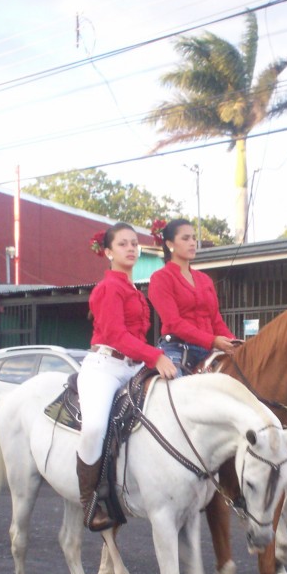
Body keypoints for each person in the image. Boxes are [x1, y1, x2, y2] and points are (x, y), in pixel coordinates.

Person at [78, 222, 177, 531]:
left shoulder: (135, 290)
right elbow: (117, 336)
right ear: (108, 252)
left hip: (132, 365)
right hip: (105, 367)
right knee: (94, 427)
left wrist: (154, 355)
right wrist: (155, 356)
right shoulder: (107, 288)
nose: (131, 248)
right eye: (123, 244)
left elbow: (136, 337)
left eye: (134, 243)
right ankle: (89, 501)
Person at [147, 218, 240, 375]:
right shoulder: (160, 278)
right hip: (177, 349)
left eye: (194, 238)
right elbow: (174, 322)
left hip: (209, 350)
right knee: (176, 393)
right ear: (170, 244)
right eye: (185, 238)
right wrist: (213, 340)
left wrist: (234, 343)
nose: (192, 243)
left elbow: (216, 320)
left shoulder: (205, 279)